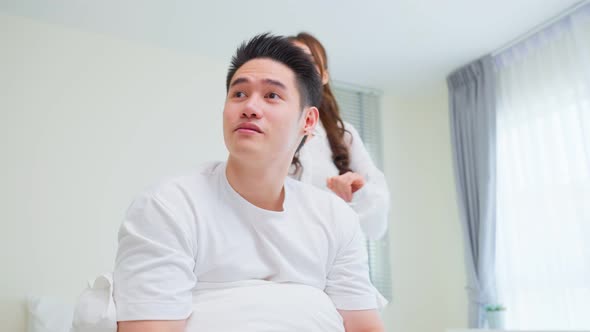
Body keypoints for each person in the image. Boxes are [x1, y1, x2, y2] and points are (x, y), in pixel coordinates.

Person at [113, 33, 385, 332]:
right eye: (239, 94)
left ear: (308, 121)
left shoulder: (337, 220)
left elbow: (364, 326)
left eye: (272, 95)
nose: (250, 107)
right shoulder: (168, 206)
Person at [288, 33, 390, 241]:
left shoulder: (344, 136)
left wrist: (358, 192)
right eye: (289, 61)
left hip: (333, 262)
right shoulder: (266, 132)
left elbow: (376, 222)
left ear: (324, 76)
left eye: (307, 60)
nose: (298, 68)